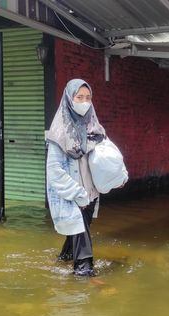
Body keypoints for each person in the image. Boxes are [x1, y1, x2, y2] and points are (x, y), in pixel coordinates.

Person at [46, 78, 106, 277]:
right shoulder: (59, 133)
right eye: (79, 97)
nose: (84, 102)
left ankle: (62, 259)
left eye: (88, 97)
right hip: (72, 196)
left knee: (80, 231)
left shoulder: (93, 128)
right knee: (82, 241)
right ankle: (84, 274)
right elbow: (55, 172)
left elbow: (103, 159)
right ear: (69, 99)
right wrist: (78, 193)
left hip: (91, 194)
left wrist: (115, 178)